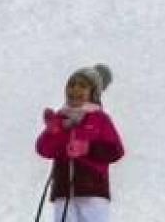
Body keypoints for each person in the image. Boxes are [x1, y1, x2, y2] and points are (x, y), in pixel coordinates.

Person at [35, 65, 124, 222]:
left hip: (92, 189)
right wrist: (53, 132)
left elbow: (115, 150)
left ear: (93, 94)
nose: (75, 89)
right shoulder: (60, 119)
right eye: (71, 84)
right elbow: (44, 149)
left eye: (82, 86)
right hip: (63, 190)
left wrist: (88, 148)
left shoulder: (99, 119)